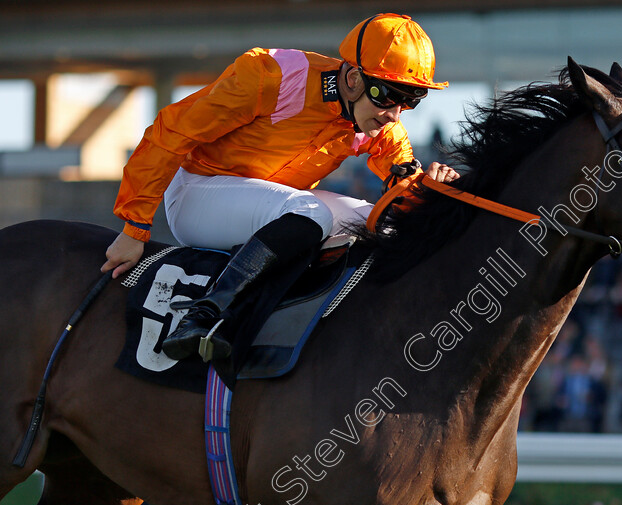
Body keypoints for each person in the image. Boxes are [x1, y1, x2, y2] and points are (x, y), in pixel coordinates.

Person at [100, 13, 458, 361]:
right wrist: (135, 227)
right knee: (310, 211)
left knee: (381, 227)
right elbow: (170, 133)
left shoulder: (380, 126)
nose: (395, 113)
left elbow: (405, 193)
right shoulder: (268, 76)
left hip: (278, 207)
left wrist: (433, 191)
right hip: (198, 193)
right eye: (388, 95)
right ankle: (206, 316)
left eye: (410, 99)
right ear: (352, 78)